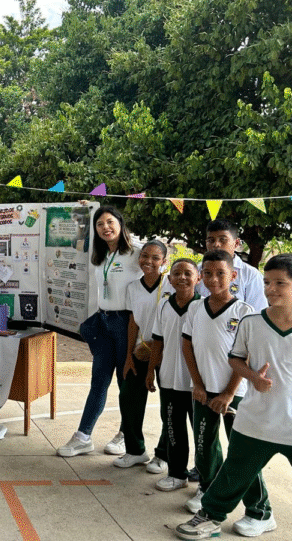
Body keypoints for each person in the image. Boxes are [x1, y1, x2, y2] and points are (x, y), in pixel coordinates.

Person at [175, 254, 292, 540]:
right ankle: (211, 515)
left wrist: (230, 391)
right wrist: (253, 377)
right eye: (267, 282)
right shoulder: (252, 322)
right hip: (255, 417)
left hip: (289, 420)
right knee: (235, 469)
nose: (271, 289)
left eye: (281, 283)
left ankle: (258, 514)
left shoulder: (242, 310)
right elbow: (236, 359)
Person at [181, 249, 261, 514]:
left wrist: (228, 393)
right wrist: (198, 384)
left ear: (233, 275)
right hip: (204, 391)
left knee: (242, 452)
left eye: (220, 273)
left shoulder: (244, 311)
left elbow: (246, 355)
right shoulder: (195, 308)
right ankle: (207, 487)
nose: (213, 279)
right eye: (207, 273)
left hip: (235, 394)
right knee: (204, 445)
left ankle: (258, 508)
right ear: (201, 276)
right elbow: (187, 345)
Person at [58, 206, 142, 457]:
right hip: (104, 323)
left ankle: (126, 434)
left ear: (120, 223)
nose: (105, 227)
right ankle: (83, 436)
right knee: (99, 381)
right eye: (99, 224)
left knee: (126, 383)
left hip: (127, 324)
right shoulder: (100, 256)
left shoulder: (136, 253)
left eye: (110, 221)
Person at [114, 240, 172, 470]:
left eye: (155, 258)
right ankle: (135, 450)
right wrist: (129, 354)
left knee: (168, 405)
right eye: (145, 256)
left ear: (164, 262)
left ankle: (163, 454)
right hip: (141, 351)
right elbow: (132, 322)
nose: (149, 261)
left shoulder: (171, 285)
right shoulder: (133, 288)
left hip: (168, 352)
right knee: (128, 398)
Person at [146, 258, 201, 492]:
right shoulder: (164, 305)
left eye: (188, 273)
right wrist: (151, 371)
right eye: (177, 273)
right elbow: (157, 341)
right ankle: (177, 474)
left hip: (197, 382)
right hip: (168, 377)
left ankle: (206, 482)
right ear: (169, 279)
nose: (182, 277)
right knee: (172, 426)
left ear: (198, 278)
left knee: (201, 432)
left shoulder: (204, 307)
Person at [195, 218, 266, 310]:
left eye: (222, 240)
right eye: (211, 240)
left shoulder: (251, 275)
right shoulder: (196, 270)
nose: (216, 244)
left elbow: (257, 313)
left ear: (236, 243)